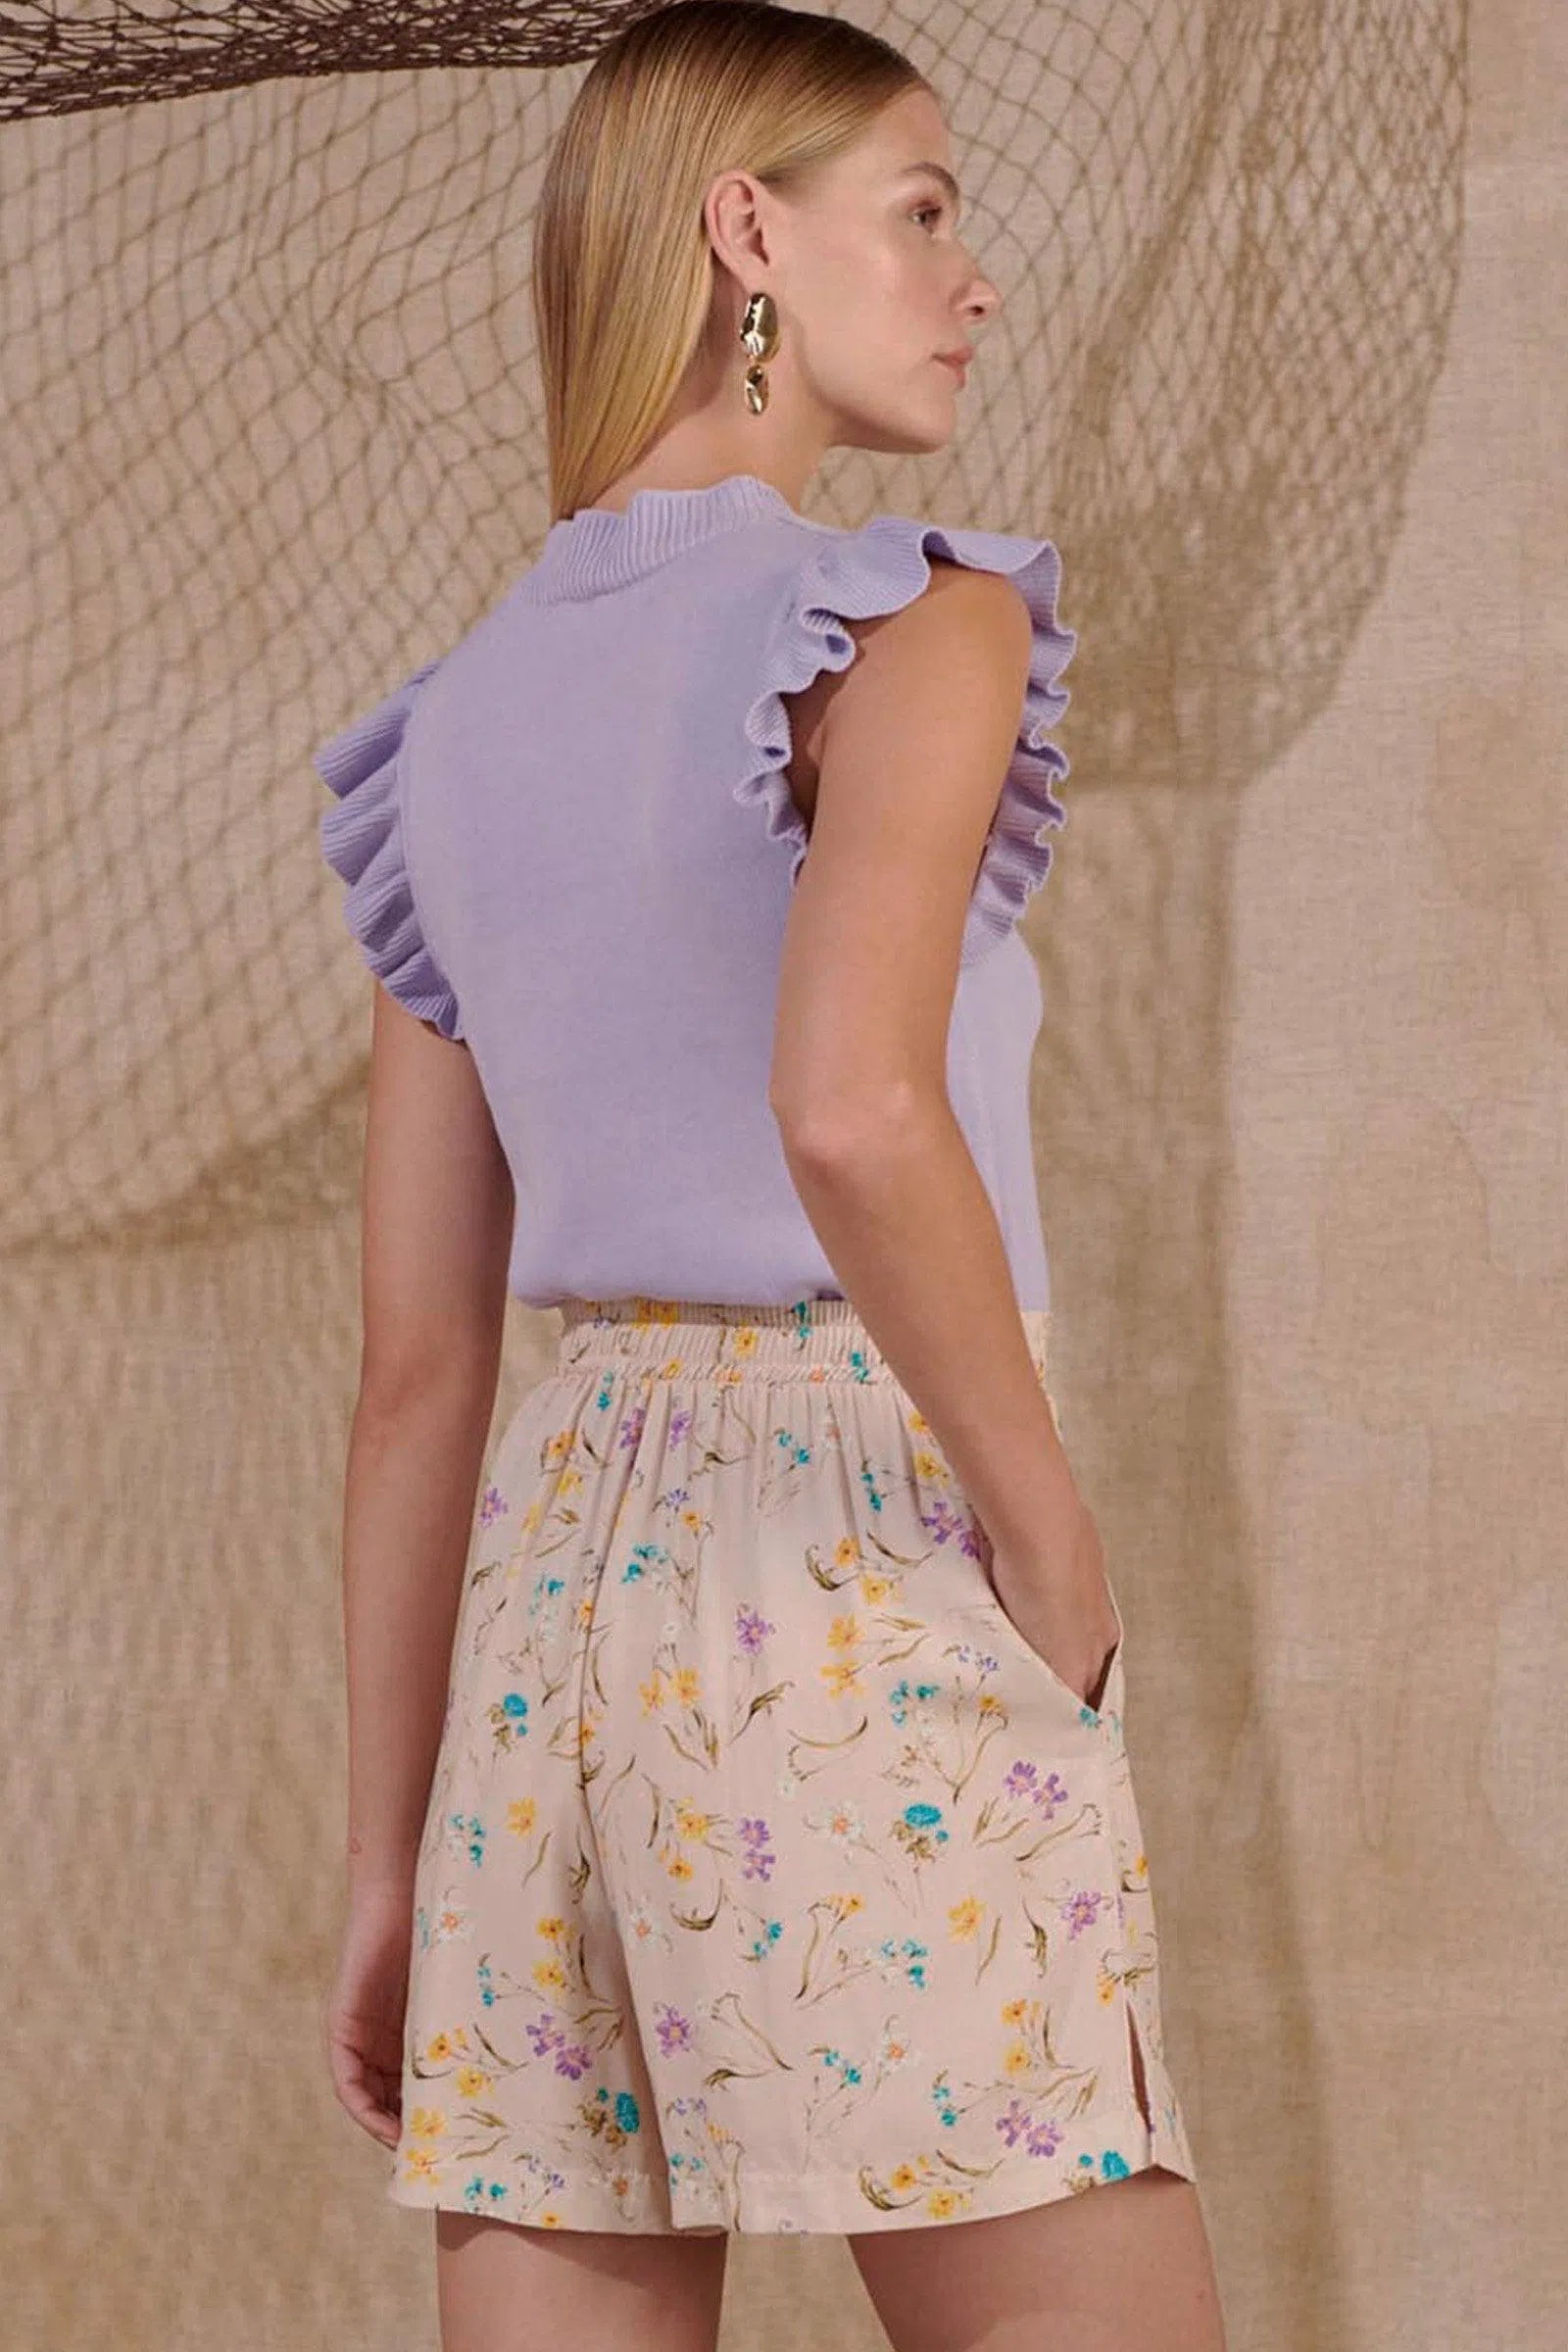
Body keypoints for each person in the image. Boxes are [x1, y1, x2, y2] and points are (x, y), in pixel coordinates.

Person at [315, 5, 1228, 2347]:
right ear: (746, 230)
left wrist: (388, 1861)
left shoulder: (446, 732)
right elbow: (851, 1107)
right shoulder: (916, 613)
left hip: (547, 1606)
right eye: (916, 210)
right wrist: (1046, 1536)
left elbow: (415, 1375)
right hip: (851, 1529)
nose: (967, 277)